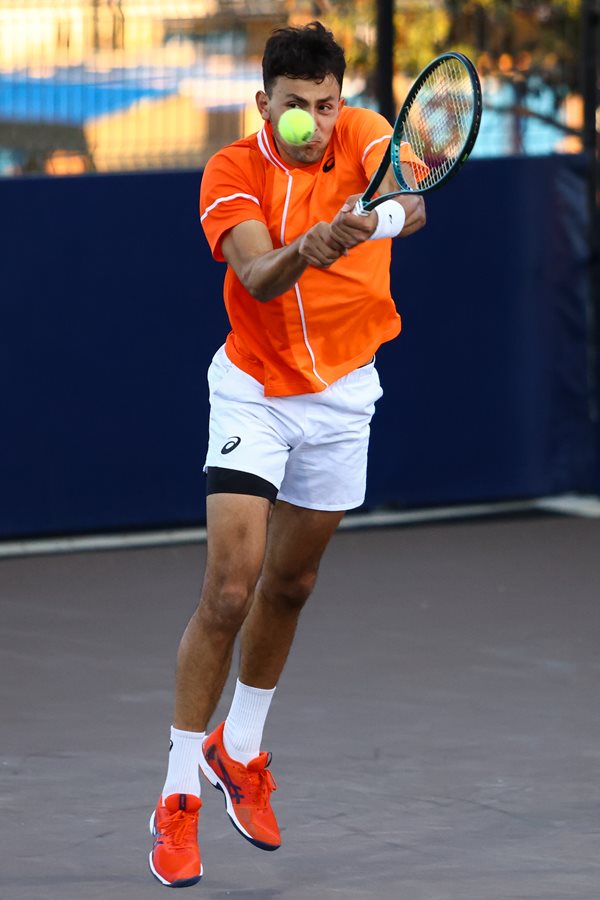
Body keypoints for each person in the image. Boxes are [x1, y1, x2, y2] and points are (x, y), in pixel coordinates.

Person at [149, 20, 426, 888]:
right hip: (255, 394)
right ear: (264, 103)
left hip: (345, 393)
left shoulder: (365, 133)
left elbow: (414, 203)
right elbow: (257, 276)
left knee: (293, 582)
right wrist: (307, 247)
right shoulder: (231, 171)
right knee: (231, 588)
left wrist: (371, 220)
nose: (315, 118)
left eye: (326, 102)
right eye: (296, 104)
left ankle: (240, 750)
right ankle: (178, 794)